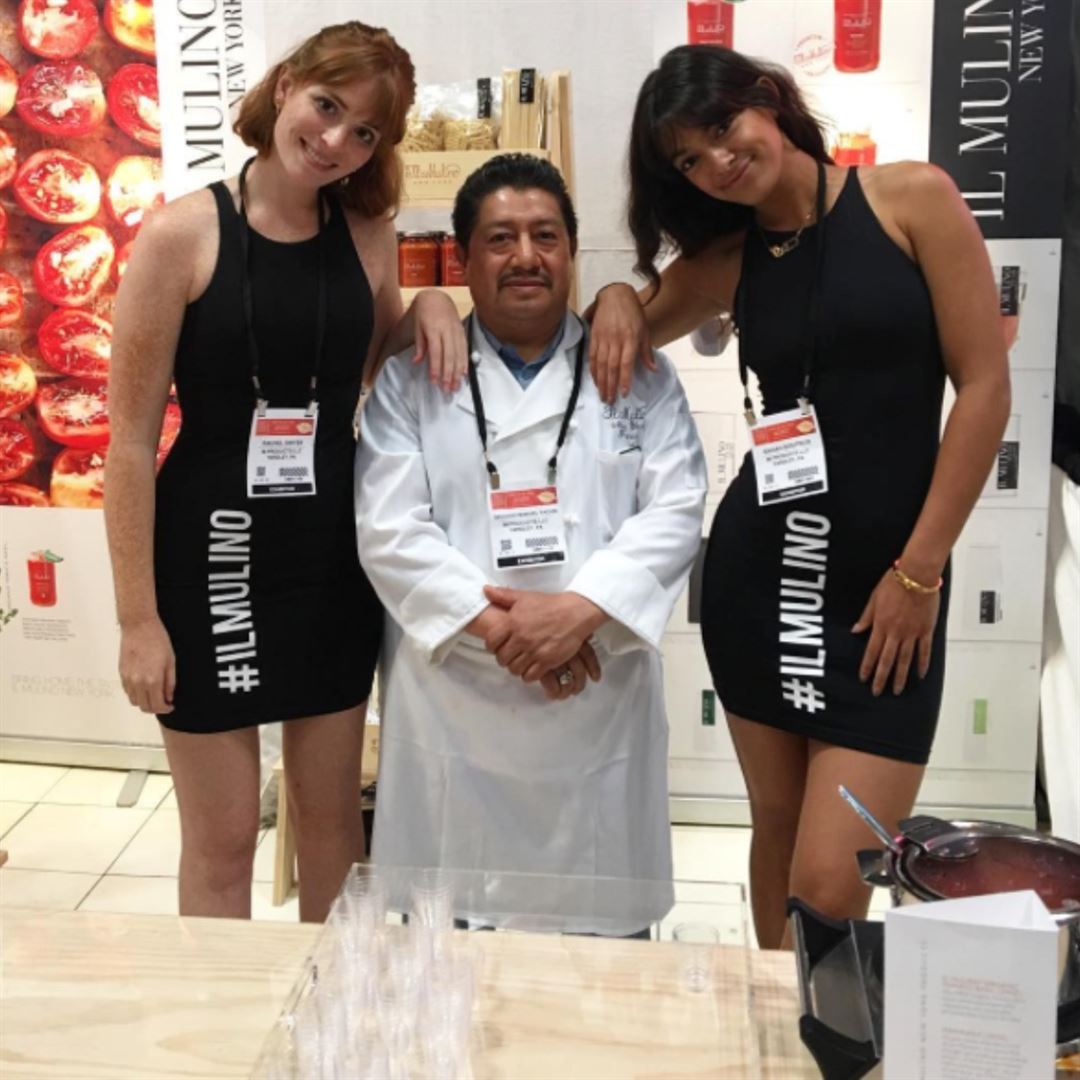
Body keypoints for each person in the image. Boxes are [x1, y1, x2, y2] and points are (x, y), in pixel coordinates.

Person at [589, 46, 1010, 947]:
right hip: (760, 581)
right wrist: (620, 294)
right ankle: (783, 1021)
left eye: (721, 127)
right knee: (777, 833)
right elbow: (594, 344)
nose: (717, 161)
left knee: (829, 881)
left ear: (767, 99)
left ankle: (813, 1012)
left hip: (890, 593)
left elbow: (984, 388)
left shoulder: (911, 200)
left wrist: (920, 573)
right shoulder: (723, 261)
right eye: (689, 159)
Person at [104, 22, 467, 923]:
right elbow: (128, 442)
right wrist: (138, 619)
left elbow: (370, 359)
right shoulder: (181, 233)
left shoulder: (368, 231)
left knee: (332, 825)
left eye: (364, 132)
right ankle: (223, 1012)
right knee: (224, 839)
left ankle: (329, 1011)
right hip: (212, 558)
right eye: (327, 106)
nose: (335, 140)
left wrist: (428, 302)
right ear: (287, 85)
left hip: (329, 557)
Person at [355, 154, 707, 933]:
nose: (525, 256)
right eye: (500, 238)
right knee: (452, 947)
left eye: (545, 236)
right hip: (456, 687)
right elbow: (389, 529)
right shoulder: (412, 380)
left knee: (600, 950)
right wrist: (505, 630)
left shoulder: (641, 374)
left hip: (596, 683)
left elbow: (677, 509)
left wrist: (579, 612)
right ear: (463, 258)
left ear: (572, 253)